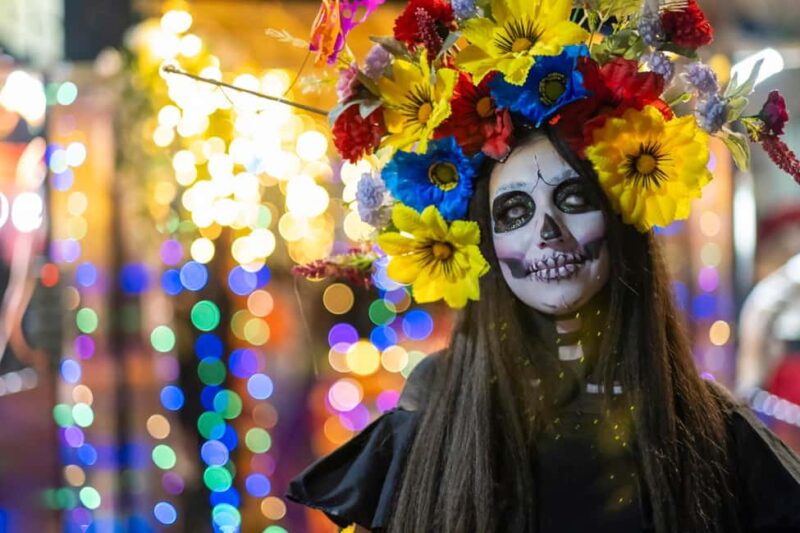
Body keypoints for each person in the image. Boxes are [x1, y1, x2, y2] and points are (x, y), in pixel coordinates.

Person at [287, 0, 800, 530]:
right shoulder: (432, 420)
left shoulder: (715, 433)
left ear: (621, 223)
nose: (546, 231)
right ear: (485, 243)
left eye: (573, 199)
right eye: (513, 211)